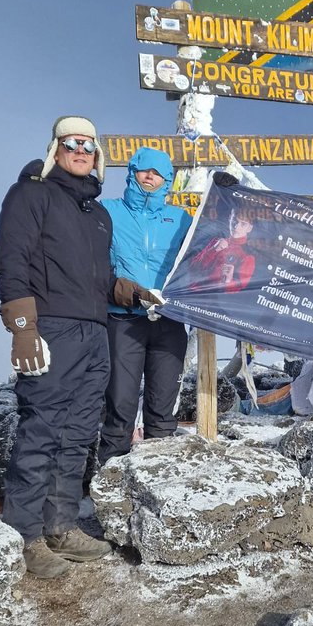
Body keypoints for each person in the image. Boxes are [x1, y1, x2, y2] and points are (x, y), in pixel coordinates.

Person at [0, 116, 116, 579]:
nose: (81, 150)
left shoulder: (97, 214)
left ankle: (62, 525)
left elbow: (96, 278)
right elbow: (11, 258)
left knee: (79, 433)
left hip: (95, 332)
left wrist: (125, 291)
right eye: (72, 143)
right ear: (56, 149)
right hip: (53, 329)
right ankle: (25, 535)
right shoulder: (31, 193)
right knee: (42, 429)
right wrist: (23, 326)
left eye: (88, 145)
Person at [97, 147, 192, 462]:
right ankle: (110, 480)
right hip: (123, 320)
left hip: (169, 321)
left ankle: (157, 476)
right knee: (120, 405)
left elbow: (205, 256)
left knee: (162, 407)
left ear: (168, 180)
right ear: (132, 172)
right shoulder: (108, 211)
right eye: (145, 170)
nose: (151, 177)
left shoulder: (181, 219)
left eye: (159, 173)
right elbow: (93, 263)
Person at [192, 212, 256, 292]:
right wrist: (214, 250)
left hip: (212, 298)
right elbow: (193, 267)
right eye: (234, 221)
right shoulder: (216, 241)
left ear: (249, 228)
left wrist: (228, 281)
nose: (236, 227)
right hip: (191, 291)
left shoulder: (248, 255)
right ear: (229, 219)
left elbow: (240, 290)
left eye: (243, 224)